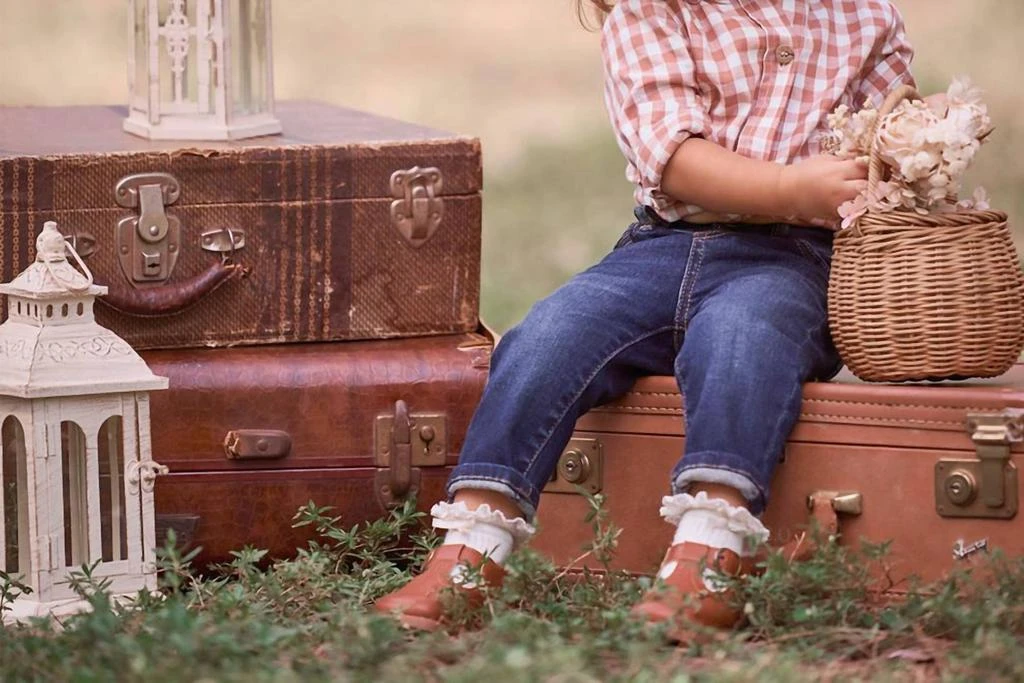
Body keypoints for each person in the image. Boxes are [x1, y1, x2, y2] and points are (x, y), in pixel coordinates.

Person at [374, 0, 915, 635]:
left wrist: (910, 156)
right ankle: (473, 548)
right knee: (549, 333)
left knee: (741, 338)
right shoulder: (651, 12)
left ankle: (710, 552)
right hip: (661, 248)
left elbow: (889, 152)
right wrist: (792, 187)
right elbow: (673, 156)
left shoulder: (863, 16)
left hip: (793, 259)